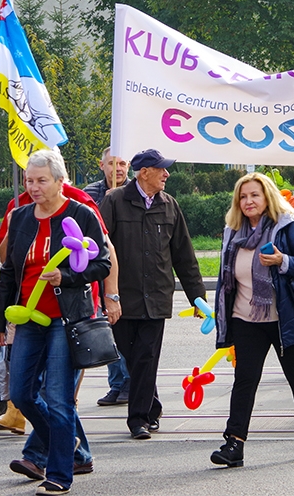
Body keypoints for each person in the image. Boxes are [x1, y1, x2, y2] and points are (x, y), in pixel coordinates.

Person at [0, 150, 110, 495]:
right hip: (27, 316)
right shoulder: (21, 216)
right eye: (29, 180)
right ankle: (63, 440)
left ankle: (59, 473)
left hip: (64, 317)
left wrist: (68, 277)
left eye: (42, 180)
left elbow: (101, 263)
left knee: (57, 397)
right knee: (22, 393)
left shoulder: (81, 214)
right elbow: (9, 272)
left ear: (60, 181)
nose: (34, 187)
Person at [210, 173, 294, 467]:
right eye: (243, 196)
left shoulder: (288, 228)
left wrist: (282, 261)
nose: (248, 201)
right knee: (245, 380)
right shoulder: (232, 232)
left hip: (284, 318)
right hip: (245, 318)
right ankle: (234, 444)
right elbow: (227, 280)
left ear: (267, 198)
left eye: (254, 196)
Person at [98, 149, 205, 440]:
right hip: (123, 297)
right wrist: (107, 294)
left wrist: (197, 298)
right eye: (162, 169)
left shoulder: (169, 205)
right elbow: (99, 248)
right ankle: (152, 405)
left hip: (156, 296)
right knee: (133, 357)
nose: (167, 174)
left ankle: (139, 419)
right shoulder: (115, 201)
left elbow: (184, 255)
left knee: (146, 356)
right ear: (144, 172)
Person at [84, 148, 132, 407]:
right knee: (108, 330)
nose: (119, 169)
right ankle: (116, 383)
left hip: (128, 271)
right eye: (113, 164)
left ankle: (130, 382)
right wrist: (107, 202)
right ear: (102, 165)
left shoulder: (135, 192)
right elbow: (90, 227)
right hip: (100, 270)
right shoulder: (90, 193)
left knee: (126, 332)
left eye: (123, 163)